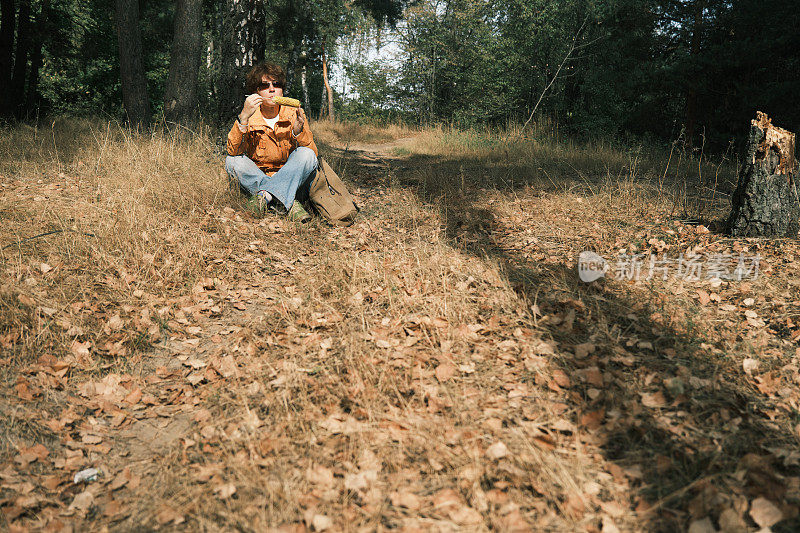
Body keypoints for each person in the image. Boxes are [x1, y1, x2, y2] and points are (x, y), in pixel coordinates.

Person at [225, 62, 317, 222]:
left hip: (292, 177)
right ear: (256, 92)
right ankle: (288, 202)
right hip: (261, 175)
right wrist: (244, 118)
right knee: (231, 162)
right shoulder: (250, 116)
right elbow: (234, 151)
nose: (272, 89)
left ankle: (265, 195)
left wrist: (297, 132)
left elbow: (312, 156)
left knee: (306, 154)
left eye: (277, 84)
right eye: (264, 86)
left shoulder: (295, 113)